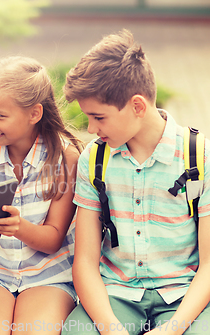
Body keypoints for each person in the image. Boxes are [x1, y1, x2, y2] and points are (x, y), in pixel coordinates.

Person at [62, 29, 210, 335]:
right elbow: (86, 263)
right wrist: (111, 329)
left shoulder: (197, 157)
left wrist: (173, 328)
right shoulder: (95, 160)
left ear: (138, 106)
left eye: (98, 117)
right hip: (117, 295)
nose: (90, 128)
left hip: (186, 296)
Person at [0, 56, 82, 335]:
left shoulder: (66, 158)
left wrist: (19, 228)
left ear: (34, 114)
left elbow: (53, 240)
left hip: (49, 276)